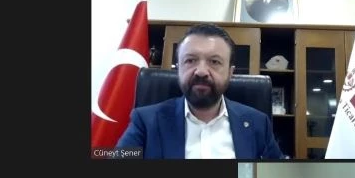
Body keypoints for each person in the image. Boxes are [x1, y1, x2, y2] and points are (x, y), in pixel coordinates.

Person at [117, 23, 283, 159]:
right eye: (190, 60)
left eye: (214, 62)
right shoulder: (145, 122)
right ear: (178, 68)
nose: (201, 71)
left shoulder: (257, 124)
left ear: (230, 72)